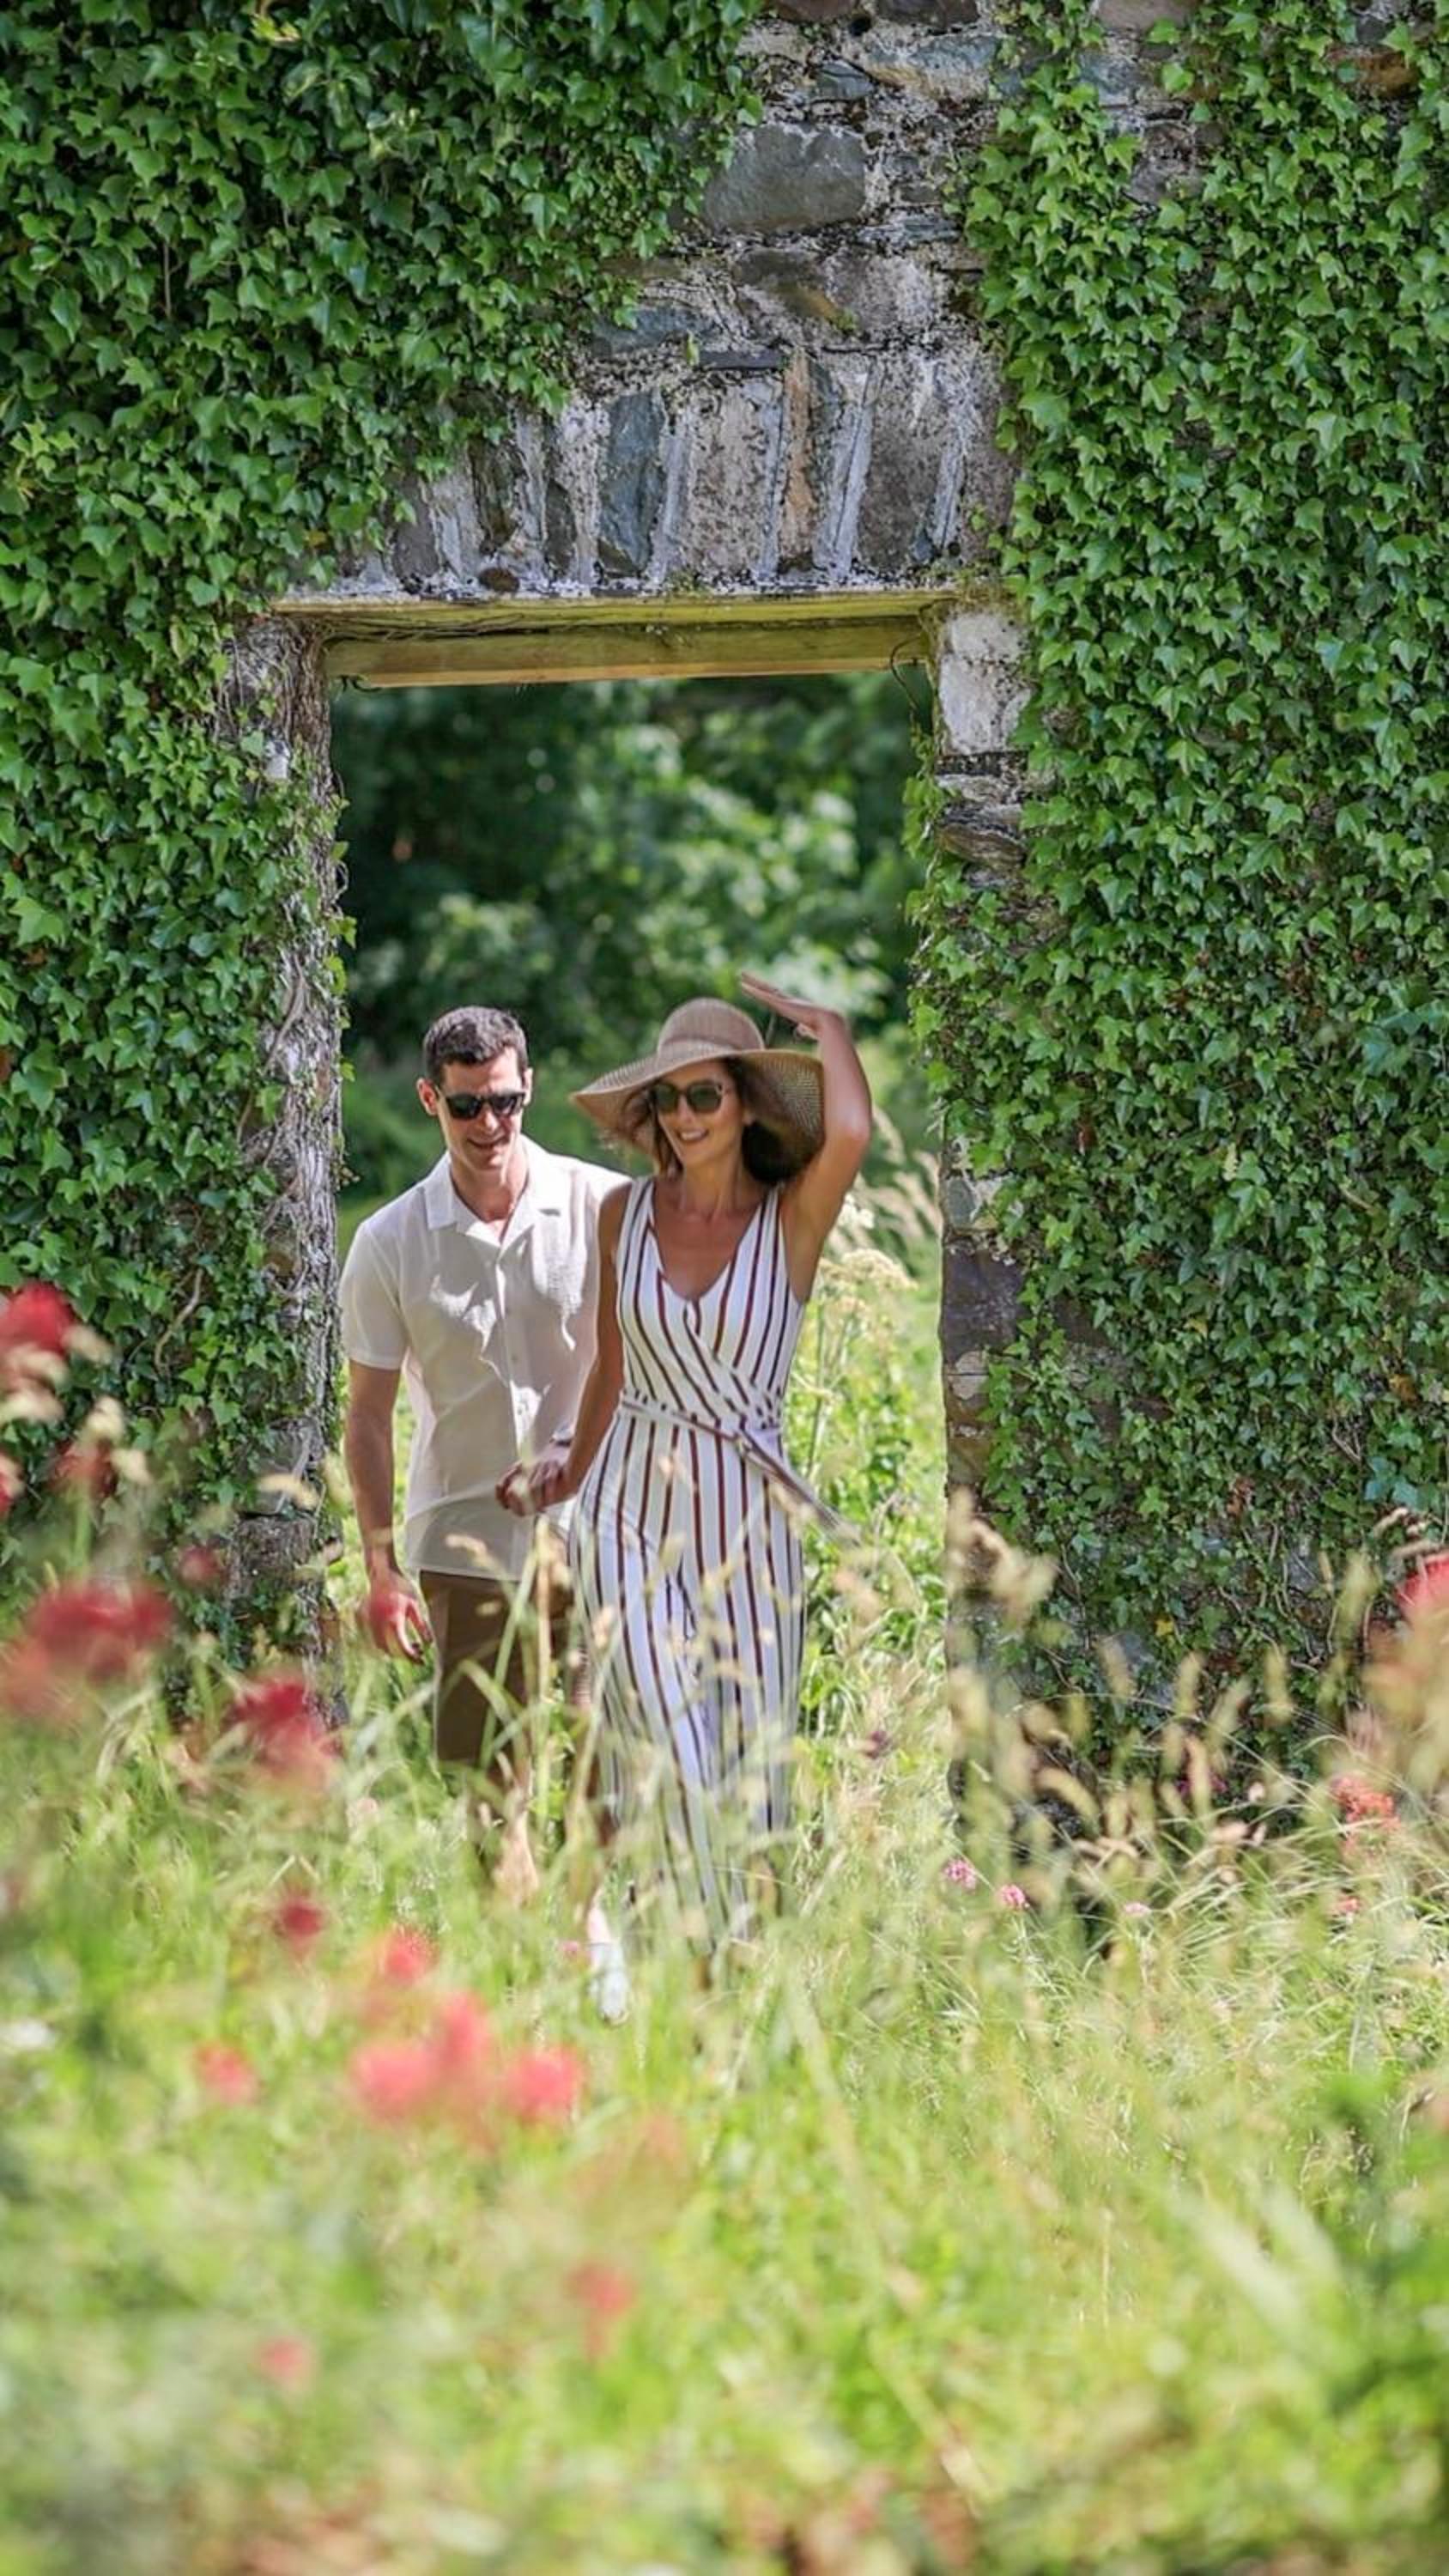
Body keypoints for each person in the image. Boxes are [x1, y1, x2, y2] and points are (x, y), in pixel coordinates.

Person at [501, 980, 872, 1944]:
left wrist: (830, 1030)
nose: (684, 1115)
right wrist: (569, 1468)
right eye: (667, 1098)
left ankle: (723, 1976)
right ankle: (690, 1955)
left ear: (745, 1103)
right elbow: (610, 1366)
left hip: (751, 1528)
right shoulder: (622, 1215)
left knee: (748, 1773)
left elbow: (852, 1132)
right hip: (628, 1508)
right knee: (667, 1741)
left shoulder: (789, 1221)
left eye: (704, 1094)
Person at [340, 1005, 615, 1903]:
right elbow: (368, 1415)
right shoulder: (388, 1243)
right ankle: (511, 1962)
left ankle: (593, 1948)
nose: (489, 1124)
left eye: (505, 1101)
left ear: (528, 1087)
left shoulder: (601, 1207)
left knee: (600, 1759)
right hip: (463, 1540)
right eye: (466, 1106)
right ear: (431, 1100)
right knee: (491, 1791)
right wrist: (380, 1568)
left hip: (595, 1530)